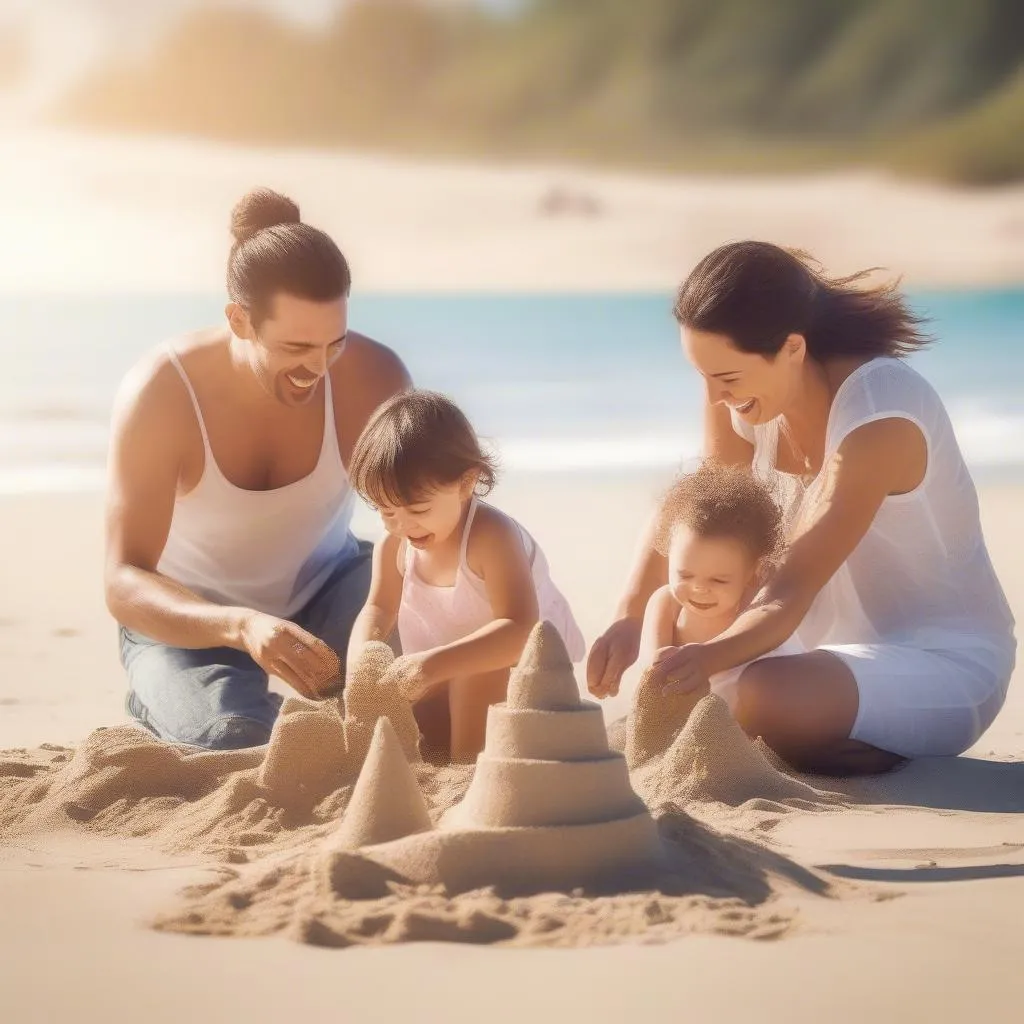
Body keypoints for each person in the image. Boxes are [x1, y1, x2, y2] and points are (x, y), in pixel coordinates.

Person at [589, 241, 1016, 774]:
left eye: (727, 378)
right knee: (695, 617)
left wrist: (706, 661)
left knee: (762, 694)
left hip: (936, 665)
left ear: (793, 348)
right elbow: (699, 512)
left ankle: (837, 747)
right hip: (808, 653)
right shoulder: (740, 396)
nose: (715, 397)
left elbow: (789, 588)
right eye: (702, 376)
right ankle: (788, 738)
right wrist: (629, 614)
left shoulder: (881, 416)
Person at [105, 188, 410, 750]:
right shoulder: (163, 392)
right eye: (296, 346)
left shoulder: (375, 375)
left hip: (331, 588)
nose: (318, 368)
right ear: (239, 320)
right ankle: (159, 696)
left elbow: (428, 517)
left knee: (404, 699)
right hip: (192, 626)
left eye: (334, 343)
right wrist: (241, 625)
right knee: (233, 738)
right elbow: (124, 580)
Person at [345, 390, 585, 762]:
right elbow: (377, 609)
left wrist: (431, 665)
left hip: (524, 677)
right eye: (385, 511)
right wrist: (363, 660)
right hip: (444, 671)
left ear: (466, 482)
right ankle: (442, 755)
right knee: (402, 705)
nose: (402, 524)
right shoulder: (395, 545)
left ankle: (467, 776)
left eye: (418, 508)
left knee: (474, 678)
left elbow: (519, 630)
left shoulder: (490, 536)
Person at [639, 459, 801, 711]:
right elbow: (653, 668)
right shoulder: (665, 604)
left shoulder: (751, 608)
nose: (699, 588)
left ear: (752, 574)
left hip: (741, 708)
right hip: (684, 707)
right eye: (684, 574)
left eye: (718, 580)